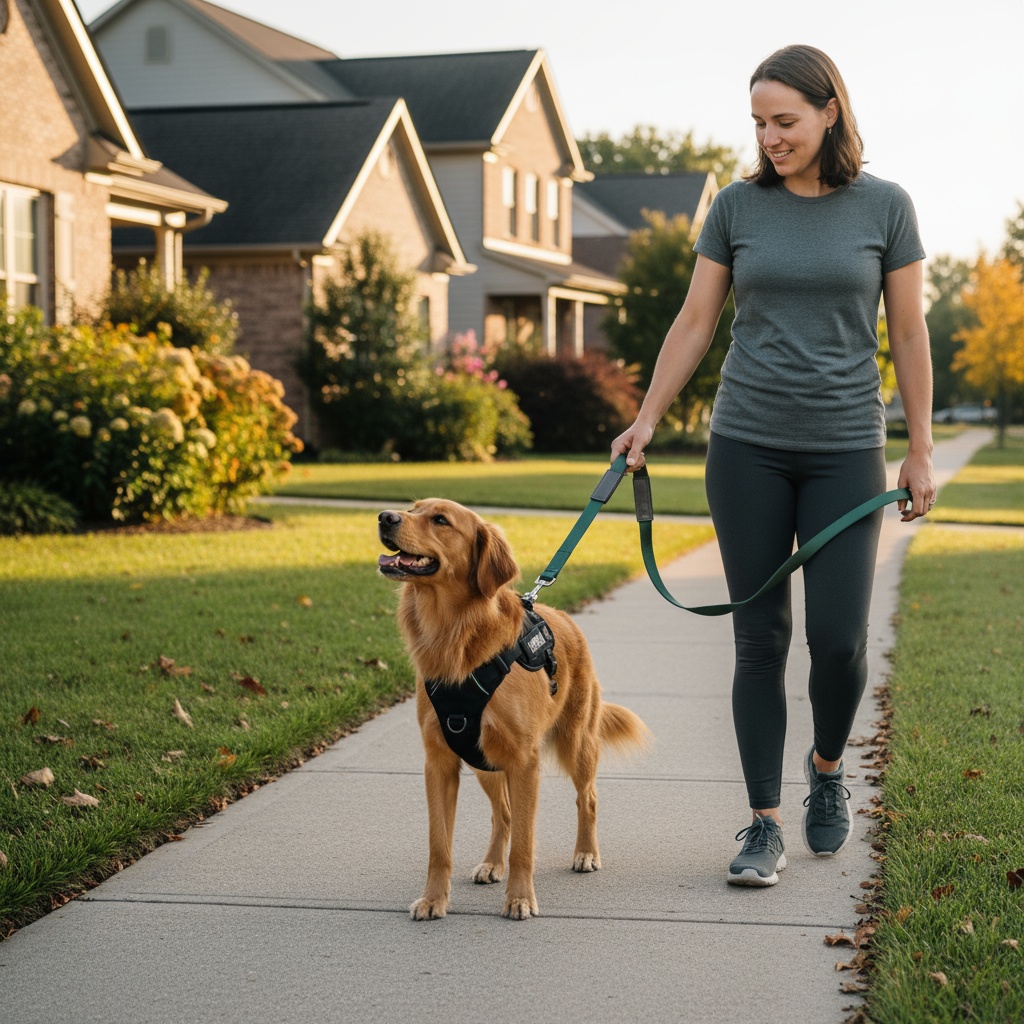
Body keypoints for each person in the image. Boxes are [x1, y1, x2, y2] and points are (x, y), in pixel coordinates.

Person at [610, 44, 935, 887]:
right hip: (746, 445)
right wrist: (647, 418)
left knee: (839, 640)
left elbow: (908, 333)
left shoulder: (886, 207)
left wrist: (920, 448)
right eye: (758, 123)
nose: (770, 138)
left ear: (831, 112)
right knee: (760, 639)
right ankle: (763, 824)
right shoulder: (735, 207)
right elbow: (695, 322)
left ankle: (827, 768)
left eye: (784, 121)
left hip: (846, 450)